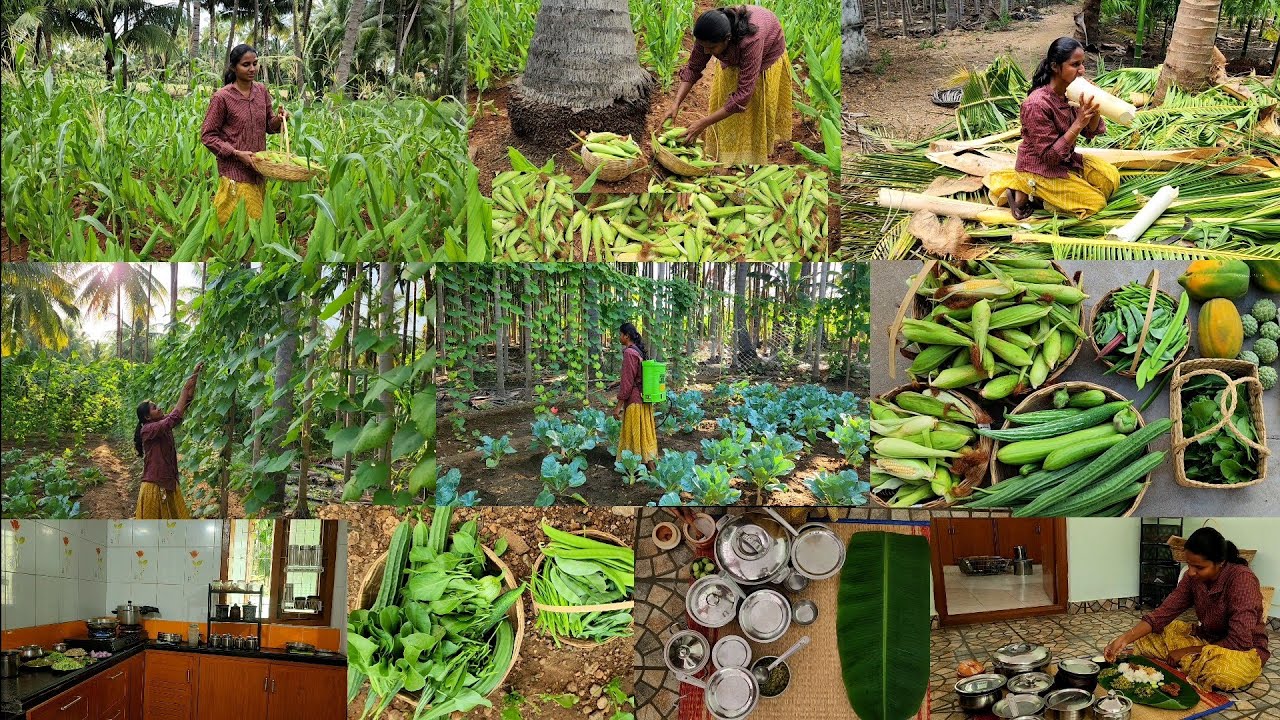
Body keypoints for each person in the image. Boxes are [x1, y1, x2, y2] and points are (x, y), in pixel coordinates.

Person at [1103, 527, 1268, 691]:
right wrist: (1124, 639)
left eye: (1199, 567)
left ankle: (1196, 660)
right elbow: (1163, 613)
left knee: (1220, 673)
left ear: (1220, 562)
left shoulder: (1242, 579)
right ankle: (1194, 660)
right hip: (1206, 638)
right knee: (1149, 637)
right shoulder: (1193, 578)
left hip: (1242, 649)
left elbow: (1239, 640)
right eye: (1189, 565)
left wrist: (1188, 651)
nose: (1191, 572)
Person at [985, 37, 1120, 219]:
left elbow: (1090, 132)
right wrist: (1078, 122)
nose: (1082, 70)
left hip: (1065, 159)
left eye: (1082, 64)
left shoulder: (1071, 92)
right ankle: (1029, 191)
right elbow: (1050, 157)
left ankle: (1041, 192)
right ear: (1056, 67)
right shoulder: (1036, 104)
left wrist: (1095, 106)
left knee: (1110, 179)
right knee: (1095, 203)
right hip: (1040, 166)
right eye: (1075, 65)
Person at [662, 6, 792, 166]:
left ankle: (750, 159)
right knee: (725, 104)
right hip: (736, 49)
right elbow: (693, 67)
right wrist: (676, 104)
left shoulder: (752, 40)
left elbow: (743, 95)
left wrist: (703, 123)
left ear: (727, 38)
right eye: (703, 46)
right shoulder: (708, 33)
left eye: (711, 48)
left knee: (753, 107)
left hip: (766, 54)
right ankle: (725, 154)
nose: (706, 51)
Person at [200, 44, 287, 224]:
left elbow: (269, 125)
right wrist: (236, 154)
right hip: (235, 173)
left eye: (255, 63)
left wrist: (279, 120)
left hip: (258, 169)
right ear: (233, 67)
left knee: (255, 225)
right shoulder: (222, 97)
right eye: (246, 65)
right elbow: (208, 135)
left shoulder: (261, 91)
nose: (252, 69)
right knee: (232, 226)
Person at [134, 363, 204, 519]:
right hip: (155, 486)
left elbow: (186, 402)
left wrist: (195, 374)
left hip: (168, 483)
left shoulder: (160, 424)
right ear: (147, 417)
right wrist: (184, 389)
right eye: (154, 408)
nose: (159, 408)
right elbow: (175, 417)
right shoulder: (148, 429)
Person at [614, 322, 658, 474]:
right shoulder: (638, 352)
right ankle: (650, 467)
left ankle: (637, 467)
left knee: (635, 434)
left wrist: (618, 407)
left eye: (620, 334)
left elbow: (627, 384)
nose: (619, 337)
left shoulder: (629, 353)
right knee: (644, 435)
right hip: (644, 400)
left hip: (634, 402)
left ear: (626, 336)